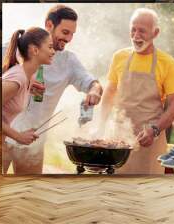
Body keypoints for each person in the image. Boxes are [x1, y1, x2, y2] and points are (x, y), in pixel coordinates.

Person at [8, 5, 103, 174]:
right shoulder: (17, 47)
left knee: (30, 193)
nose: (69, 39)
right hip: (6, 134)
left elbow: (92, 82)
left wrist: (95, 90)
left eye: (73, 34)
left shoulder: (68, 61)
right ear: (49, 25)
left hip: (33, 141)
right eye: (65, 32)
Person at [100, 8, 174, 174]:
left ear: (155, 33)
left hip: (151, 140)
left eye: (142, 31)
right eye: (133, 29)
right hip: (119, 137)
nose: (136, 35)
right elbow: (109, 94)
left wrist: (154, 130)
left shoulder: (167, 62)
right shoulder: (119, 57)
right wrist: (100, 124)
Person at [2, 27, 55, 174]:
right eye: (50, 47)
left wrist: (30, 88)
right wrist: (18, 136)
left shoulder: (28, 76)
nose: (53, 51)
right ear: (34, 50)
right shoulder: (17, 79)